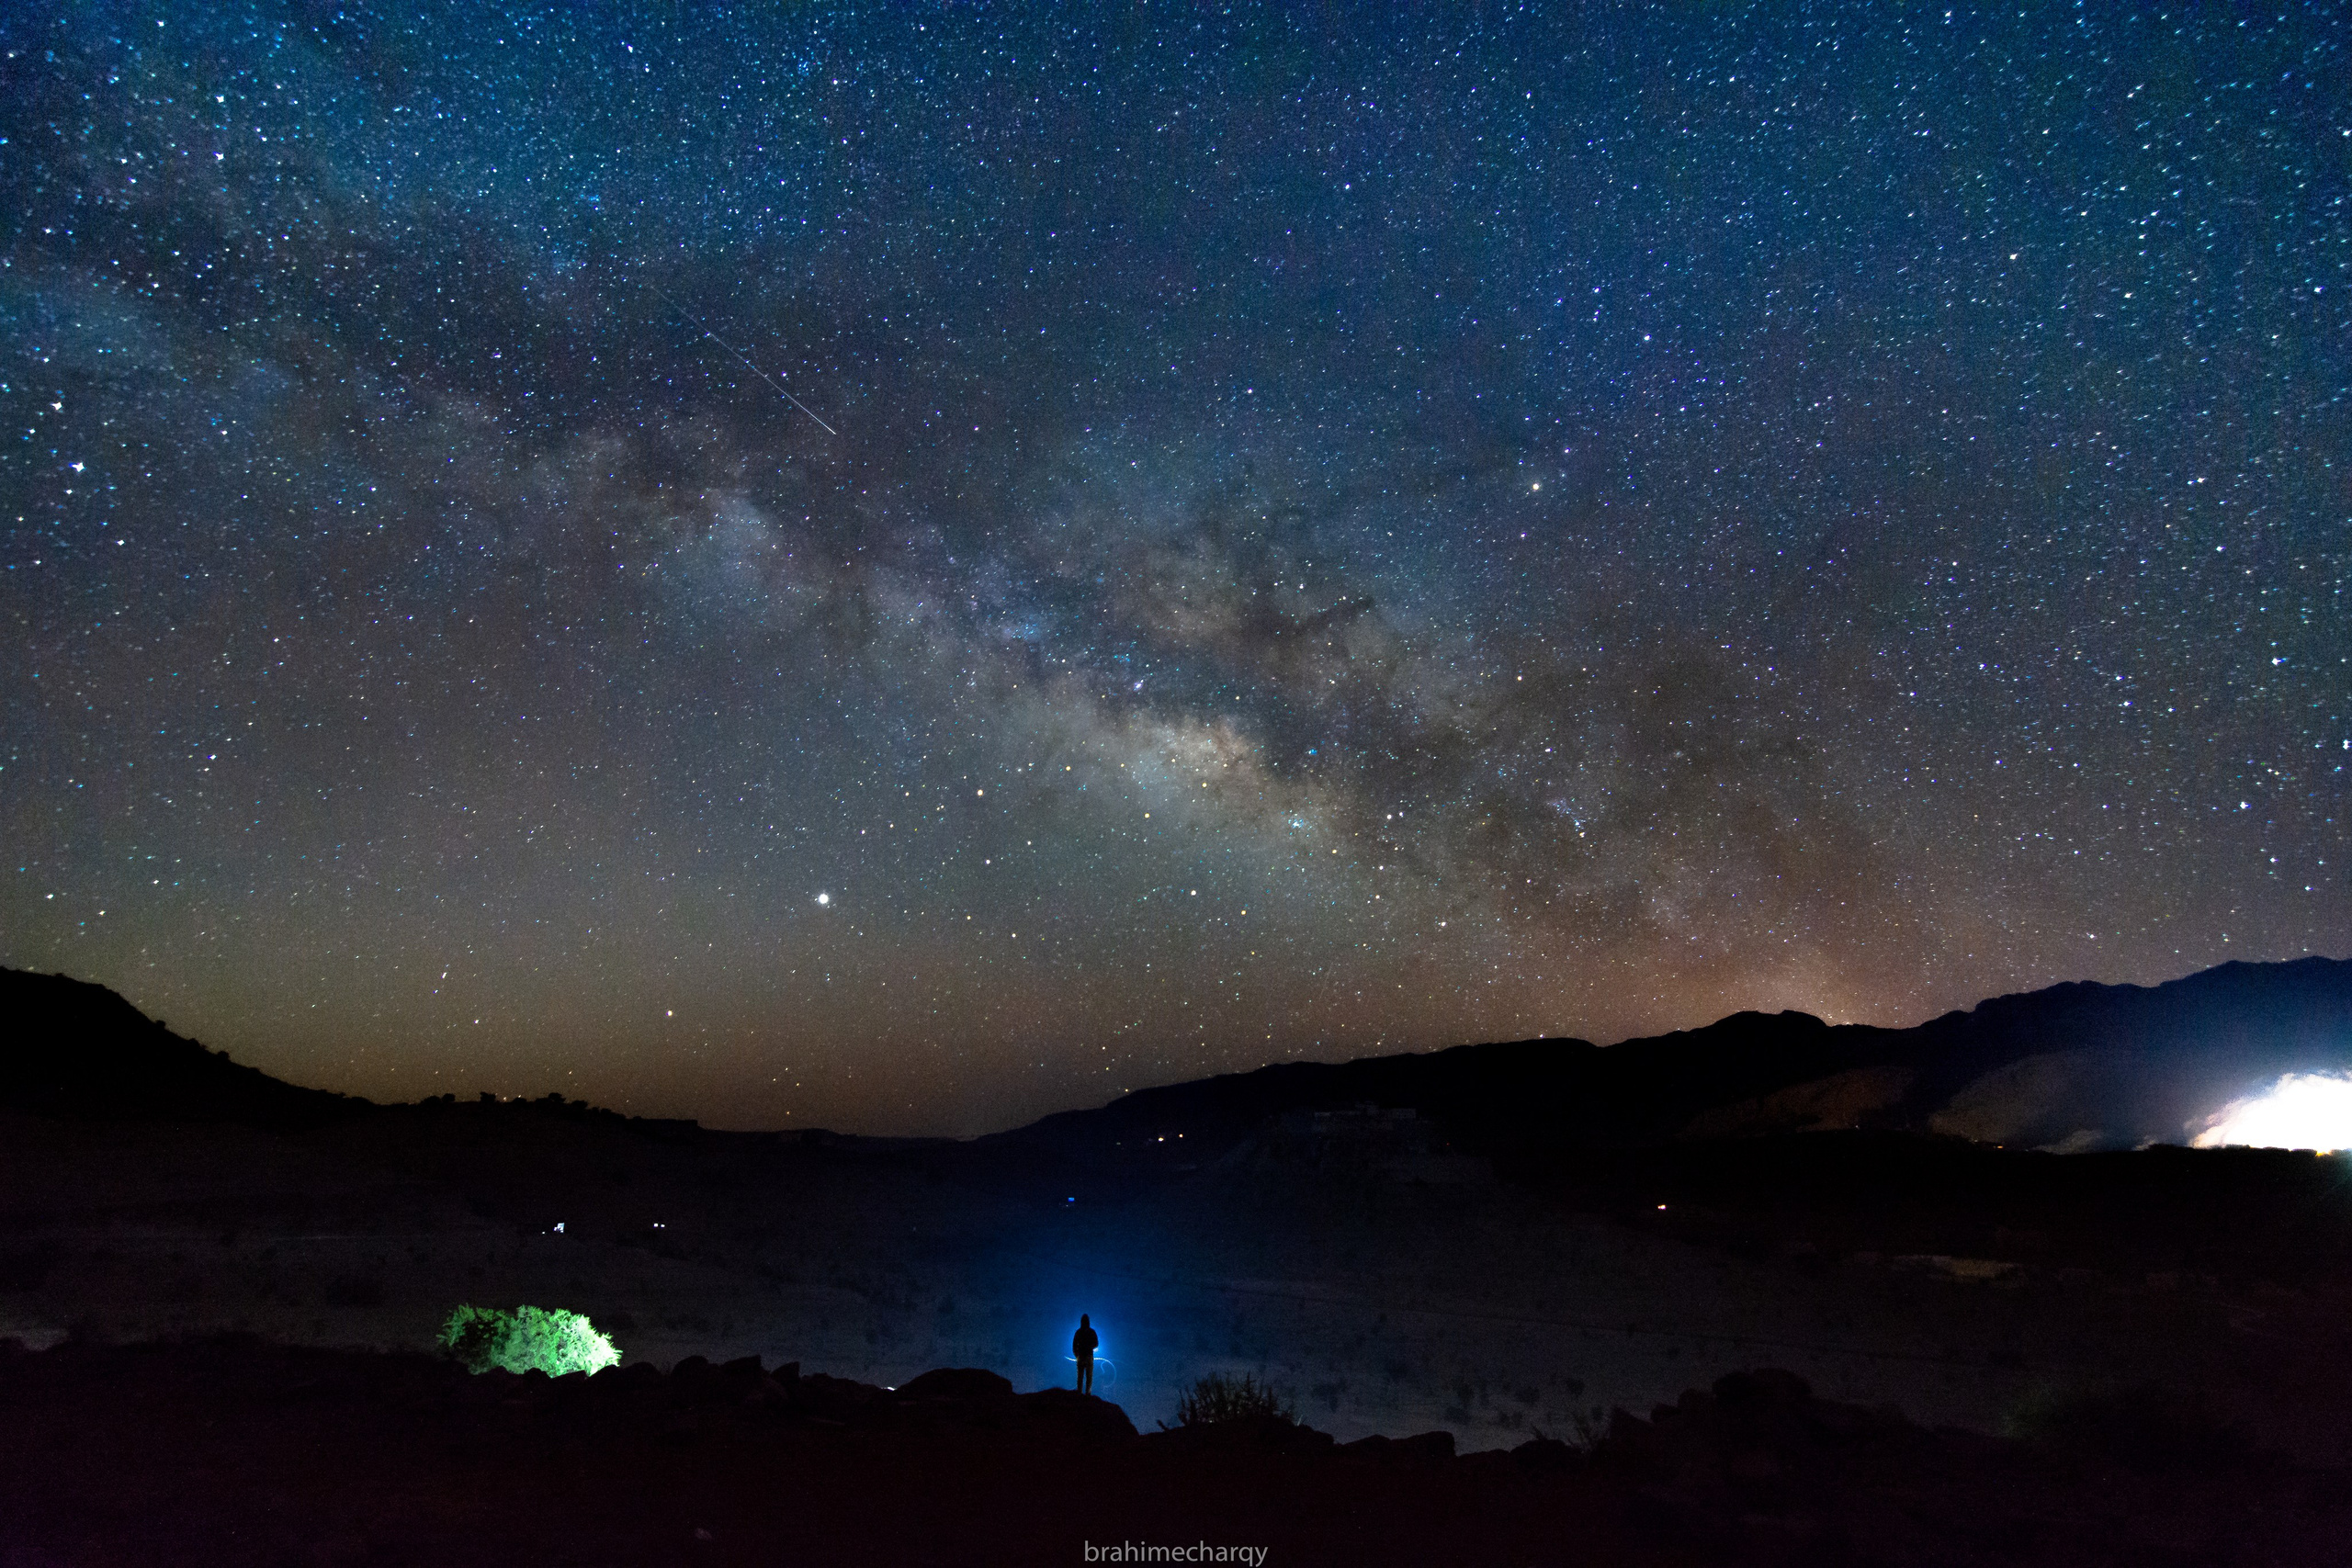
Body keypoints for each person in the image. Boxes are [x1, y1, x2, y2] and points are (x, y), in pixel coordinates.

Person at [1072, 1314, 1099, 1395]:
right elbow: (1096, 1343)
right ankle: (1087, 1394)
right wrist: (1089, 1347)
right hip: (1087, 1356)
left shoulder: (1078, 1332)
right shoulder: (1091, 1332)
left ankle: (1080, 1393)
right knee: (1087, 1376)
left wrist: (1077, 1355)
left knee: (1081, 1376)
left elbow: (1074, 1345)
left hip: (1083, 1356)